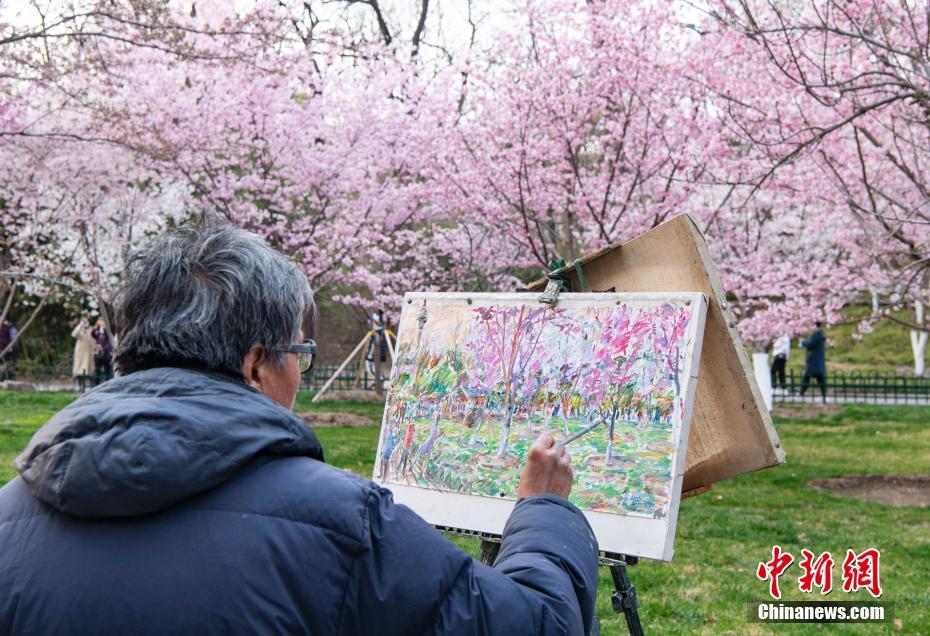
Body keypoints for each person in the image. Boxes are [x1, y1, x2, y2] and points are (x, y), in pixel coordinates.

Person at [0, 222, 598, 635]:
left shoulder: (9, 514)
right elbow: (537, 624)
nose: (301, 379)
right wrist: (543, 513)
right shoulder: (343, 523)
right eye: (299, 355)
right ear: (256, 364)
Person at [800, 321, 827, 403]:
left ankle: (801, 394)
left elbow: (810, 344)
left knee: (807, 378)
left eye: (811, 326)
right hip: (818, 361)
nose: (810, 328)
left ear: (815, 326)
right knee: (820, 379)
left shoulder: (816, 335)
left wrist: (803, 343)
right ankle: (824, 395)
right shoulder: (821, 334)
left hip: (813, 361)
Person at [71, 315, 96, 392]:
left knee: (91, 370)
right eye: (83, 319)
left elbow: (94, 339)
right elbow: (74, 334)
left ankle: (92, 387)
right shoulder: (79, 329)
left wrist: (95, 348)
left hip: (89, 353)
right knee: (80, 370)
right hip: (80, 353)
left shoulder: (91, 329)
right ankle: (80, 387)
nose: (85, 320)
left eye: (86, 319)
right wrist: (80, 325)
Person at [91, 318, 114, 386]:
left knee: (107, 370)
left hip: (106, 352)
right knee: (97, 370)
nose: (101, 322)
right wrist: (95, 327)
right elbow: (92, 334)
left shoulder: (107, 330)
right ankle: (96, 385)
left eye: (102, 321)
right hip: (98, 353)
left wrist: (104, 327)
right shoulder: (97, 331)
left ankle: (108, 384)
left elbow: (108, 337)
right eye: (100, 321)